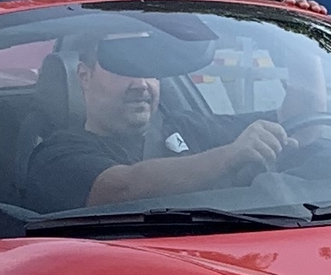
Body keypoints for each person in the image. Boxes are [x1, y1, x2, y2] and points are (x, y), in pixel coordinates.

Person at [24, 16, 315, 212]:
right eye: (124, 67)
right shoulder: (56, 155)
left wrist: (306, 42)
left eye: (149, 69)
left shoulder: (188, 125)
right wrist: (231, 155)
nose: (140, 84)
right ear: (84, 76)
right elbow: (121, 188)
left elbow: (300, 125)